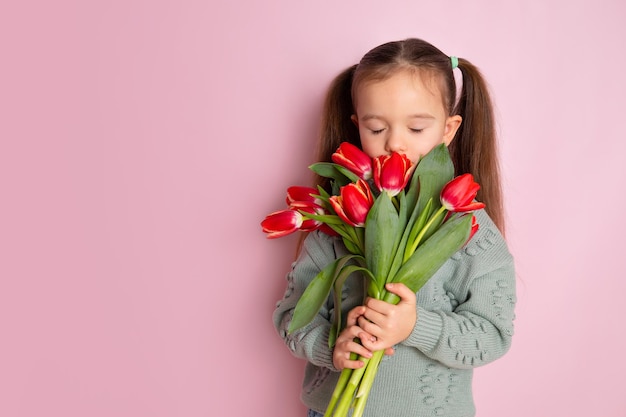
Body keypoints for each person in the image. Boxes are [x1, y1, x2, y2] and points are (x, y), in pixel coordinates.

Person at [272, 38, 516, 417]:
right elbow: (291, 319)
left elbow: (494, 336)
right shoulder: (339, 218)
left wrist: (415, 325)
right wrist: (333, 346)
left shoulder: (473, 235)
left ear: (448, 130)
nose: (395, 144)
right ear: (357, 126)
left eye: (416, 128)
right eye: (376, 128)